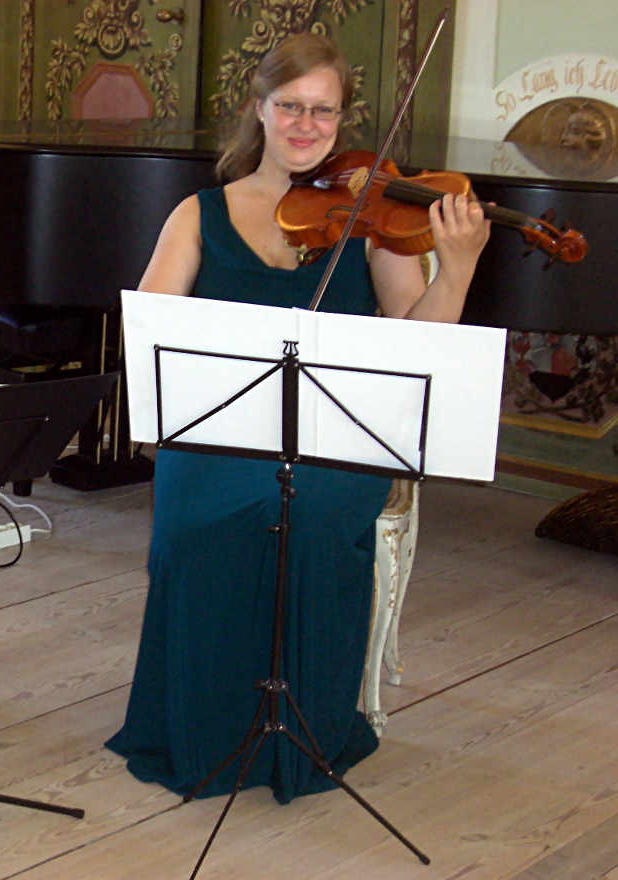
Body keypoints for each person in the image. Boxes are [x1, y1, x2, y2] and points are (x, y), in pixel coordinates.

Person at [106, 32, 490, 803]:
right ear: (260, 109)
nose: (307, 126)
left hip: (335, 438)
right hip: (221, 430)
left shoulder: (371, 212)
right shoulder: (199, 213)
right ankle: (203, 730)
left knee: (311, 513)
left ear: (342, 117)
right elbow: (144, 330)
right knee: (201, 515)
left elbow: (421, 339)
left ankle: (306, 729)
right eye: (290, 107)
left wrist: (461, 265)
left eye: (324, 111)